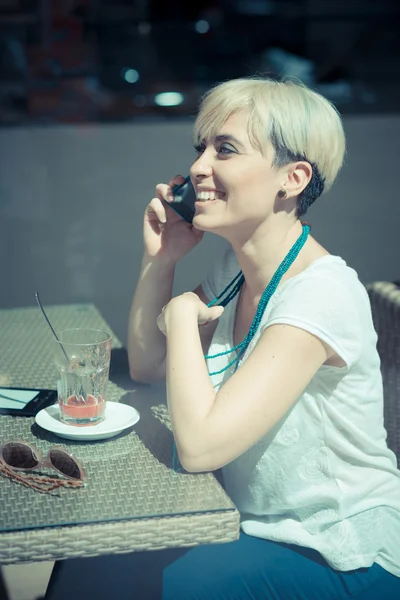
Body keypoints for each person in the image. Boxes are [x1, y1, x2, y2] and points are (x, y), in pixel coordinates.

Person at [45, 77, 400, 599]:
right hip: (248, 524)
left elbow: (200, 447)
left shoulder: (320, 294)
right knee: (89, 558)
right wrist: (161, 257)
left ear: (293, 178)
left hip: (340, 551)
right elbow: (149, 365)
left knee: (141, 584)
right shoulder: (235, 269)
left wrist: (185, 319)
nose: (198, 167)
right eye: (202, 148)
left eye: (226, 150)